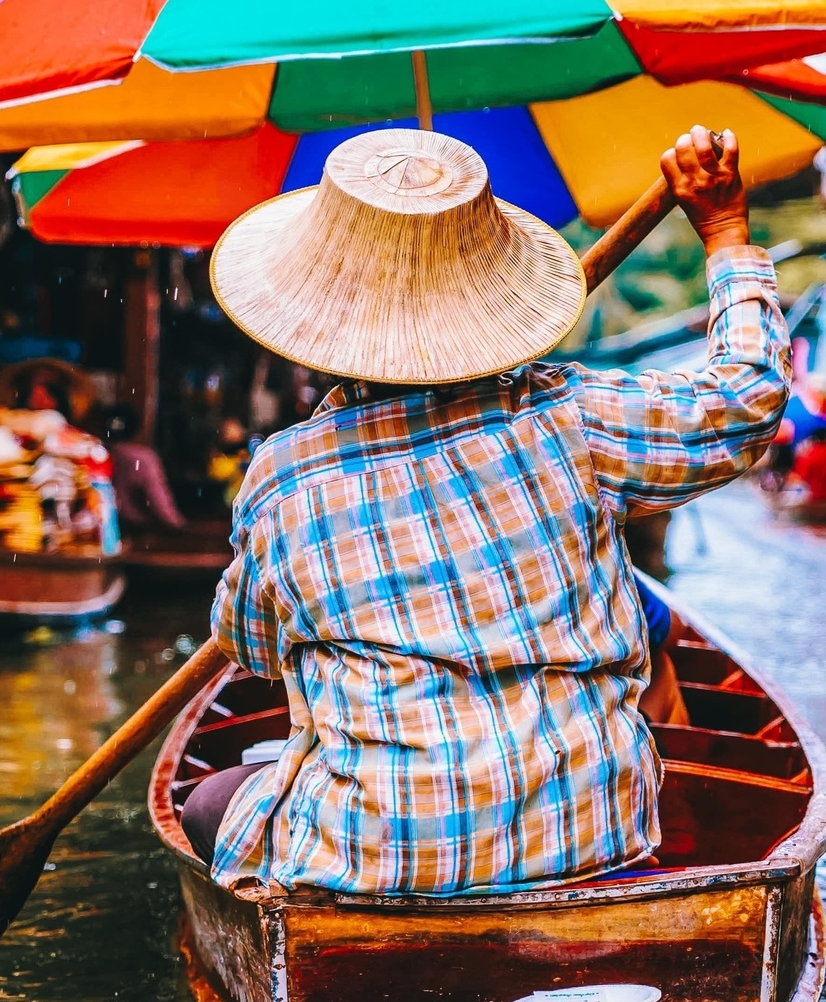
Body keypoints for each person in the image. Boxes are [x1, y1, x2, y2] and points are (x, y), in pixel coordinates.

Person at [186, 126, 784, 894]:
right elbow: (744, 403)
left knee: (208, 806)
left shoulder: (282, 475)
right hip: (591, 827)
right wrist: (726, 233)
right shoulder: (570, 416)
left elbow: (254, 650)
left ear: (319, 324)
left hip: (383, 855)